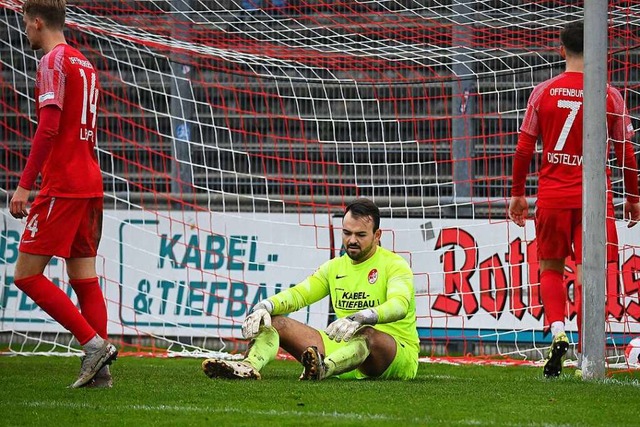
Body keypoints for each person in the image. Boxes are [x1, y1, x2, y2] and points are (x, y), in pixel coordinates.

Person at [509, 20, 640, 378]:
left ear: (562, 50)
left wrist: (518, 193)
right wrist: (633, 198)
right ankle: (586, 354)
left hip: (551, 196)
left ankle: (557, 330)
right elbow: (626, 152)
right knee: (589, 276)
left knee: (550, 268)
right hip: (593, 202)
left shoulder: (543, 91)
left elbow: (524, 148)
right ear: (600, 52)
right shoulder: (609, 94)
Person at [9, 0, 117, 388]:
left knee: (25, 275)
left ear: (38, 22)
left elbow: (49, 126)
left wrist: (25, 184)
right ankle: (100, 372)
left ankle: (91, 346)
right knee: (83, 277)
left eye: (25, 23)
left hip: (64, 184)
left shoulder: (53, 61)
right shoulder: (84, 63)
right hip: (90, 181)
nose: (24, 31)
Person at [202, 198, 419, 381]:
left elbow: (399, 305)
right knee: (276, 322)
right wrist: (265, 306)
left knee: (367, 334)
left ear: (377, 235)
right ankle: (248, 366)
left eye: (360, 235)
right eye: (346, 233)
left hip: (394, 355)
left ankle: (324, 369)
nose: (351, 240)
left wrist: (363, 316)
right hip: (343, 353)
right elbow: (300, 294)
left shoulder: (394, 265)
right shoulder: (335, 267)